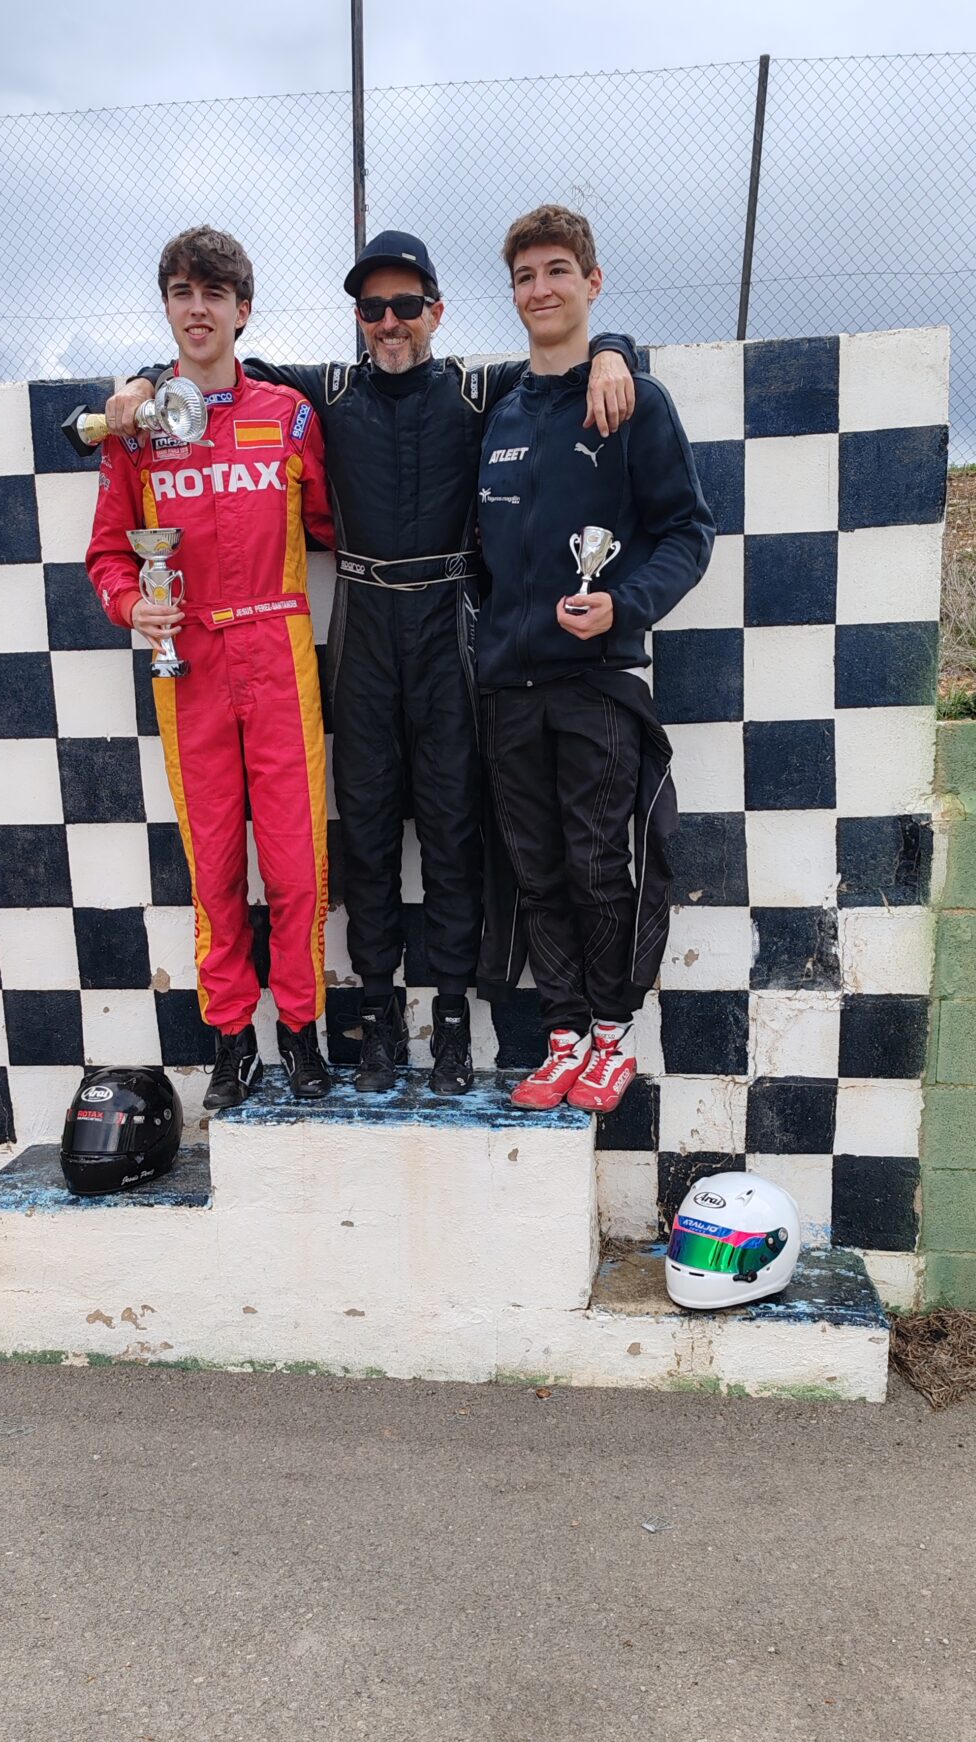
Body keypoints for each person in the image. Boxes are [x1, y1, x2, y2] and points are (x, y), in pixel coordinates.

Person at [106, 229, 640, 1096]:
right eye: (372, 308)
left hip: (450, 627)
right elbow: (214, 357)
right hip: (359, 630)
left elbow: (562, 357)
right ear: (357, 317)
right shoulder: (324, 393)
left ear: (436, 310)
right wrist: (138, 381)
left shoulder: (476, 389)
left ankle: (454, 1018)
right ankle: (380, 1018)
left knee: (454, 831)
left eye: (406, 305)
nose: (389, 322)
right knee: (364, 835)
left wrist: (614, 349)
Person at [86, 227, 337, 1108]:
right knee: (216, 867)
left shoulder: (290, 415)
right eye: (182, 293)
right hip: (187, 664)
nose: (198, 309)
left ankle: (302, 1033)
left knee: (298, 867)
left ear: (242, 310)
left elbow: (335, 524)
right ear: (167, 307)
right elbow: (109, 555)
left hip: (278, 653)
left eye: (214, 294)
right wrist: (131, 605)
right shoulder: (137, 427)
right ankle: (233, 1041)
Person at [473, 205, 715, 1114]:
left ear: (592, 282)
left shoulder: (633, 400)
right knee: (536, 873)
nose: (540, 290)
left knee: (597, 867)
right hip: (508, 685)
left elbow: (689, 533)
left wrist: (623, 604)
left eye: (557, 272)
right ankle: (563, 1035)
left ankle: (613, 1036)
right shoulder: (500, 411)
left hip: (598, 684)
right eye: (525, 276)